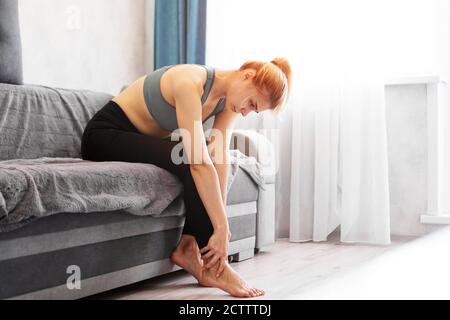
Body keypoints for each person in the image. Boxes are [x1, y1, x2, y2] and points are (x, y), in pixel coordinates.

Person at [81, 58, 291, 298]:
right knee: (189, 158)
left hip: (143, 139)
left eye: (254, 110)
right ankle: (215, 269)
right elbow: (199, 162)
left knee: (197, 157)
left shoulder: (226, 103)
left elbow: (218, 157)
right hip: (104, 135)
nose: (246, 112)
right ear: (247, 76)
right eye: (251, 103)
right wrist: (220, 228)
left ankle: (188, 245)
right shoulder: (189, 81)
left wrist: (220, 220)